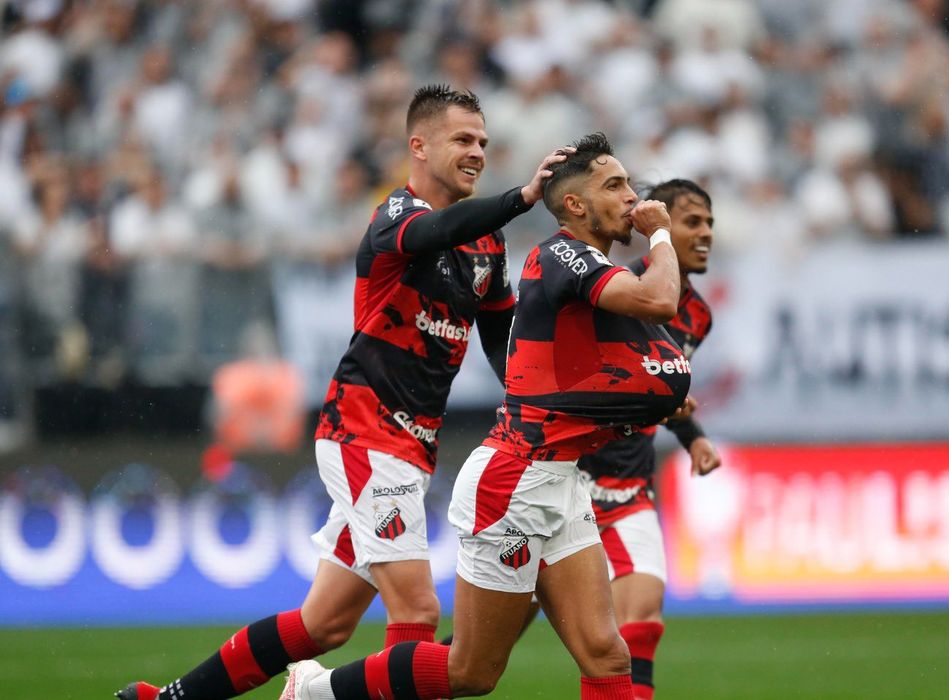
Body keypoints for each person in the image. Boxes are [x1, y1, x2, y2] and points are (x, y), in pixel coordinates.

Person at [116, 85, 568, 700]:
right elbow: (438, 228)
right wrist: (520, 199)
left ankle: (172, 699)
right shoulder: (396, 217)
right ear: (419, 145)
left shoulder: (486, 246)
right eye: (463, 140)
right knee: (415, 604)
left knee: (322, 624)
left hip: (412, 446)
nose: (477, 152)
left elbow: (501, 341)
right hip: (366, 430)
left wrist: (542, 404)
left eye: (483, 142)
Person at [281, 132, 693, 700]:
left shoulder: (593, 271)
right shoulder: (563, 252)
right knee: (471, 672)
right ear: (574, 204)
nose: (631, 197)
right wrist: (663, 233)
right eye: (614, 185)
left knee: (606, 653)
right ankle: (316, 691)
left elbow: (637, 358)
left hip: (562, 479)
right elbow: (659, 301)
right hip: (514, 483)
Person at [577, 177, 721, 700]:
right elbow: (583, 379)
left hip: (629, 487)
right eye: (691, 222)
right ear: (657, 228)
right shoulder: (615, 287)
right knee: (475, 661)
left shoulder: (698, 314)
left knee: (640, 626)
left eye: (709, 223)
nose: (705, 233)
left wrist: (692, 437)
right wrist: (652, 397)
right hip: (566, 481)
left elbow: (667, 382)